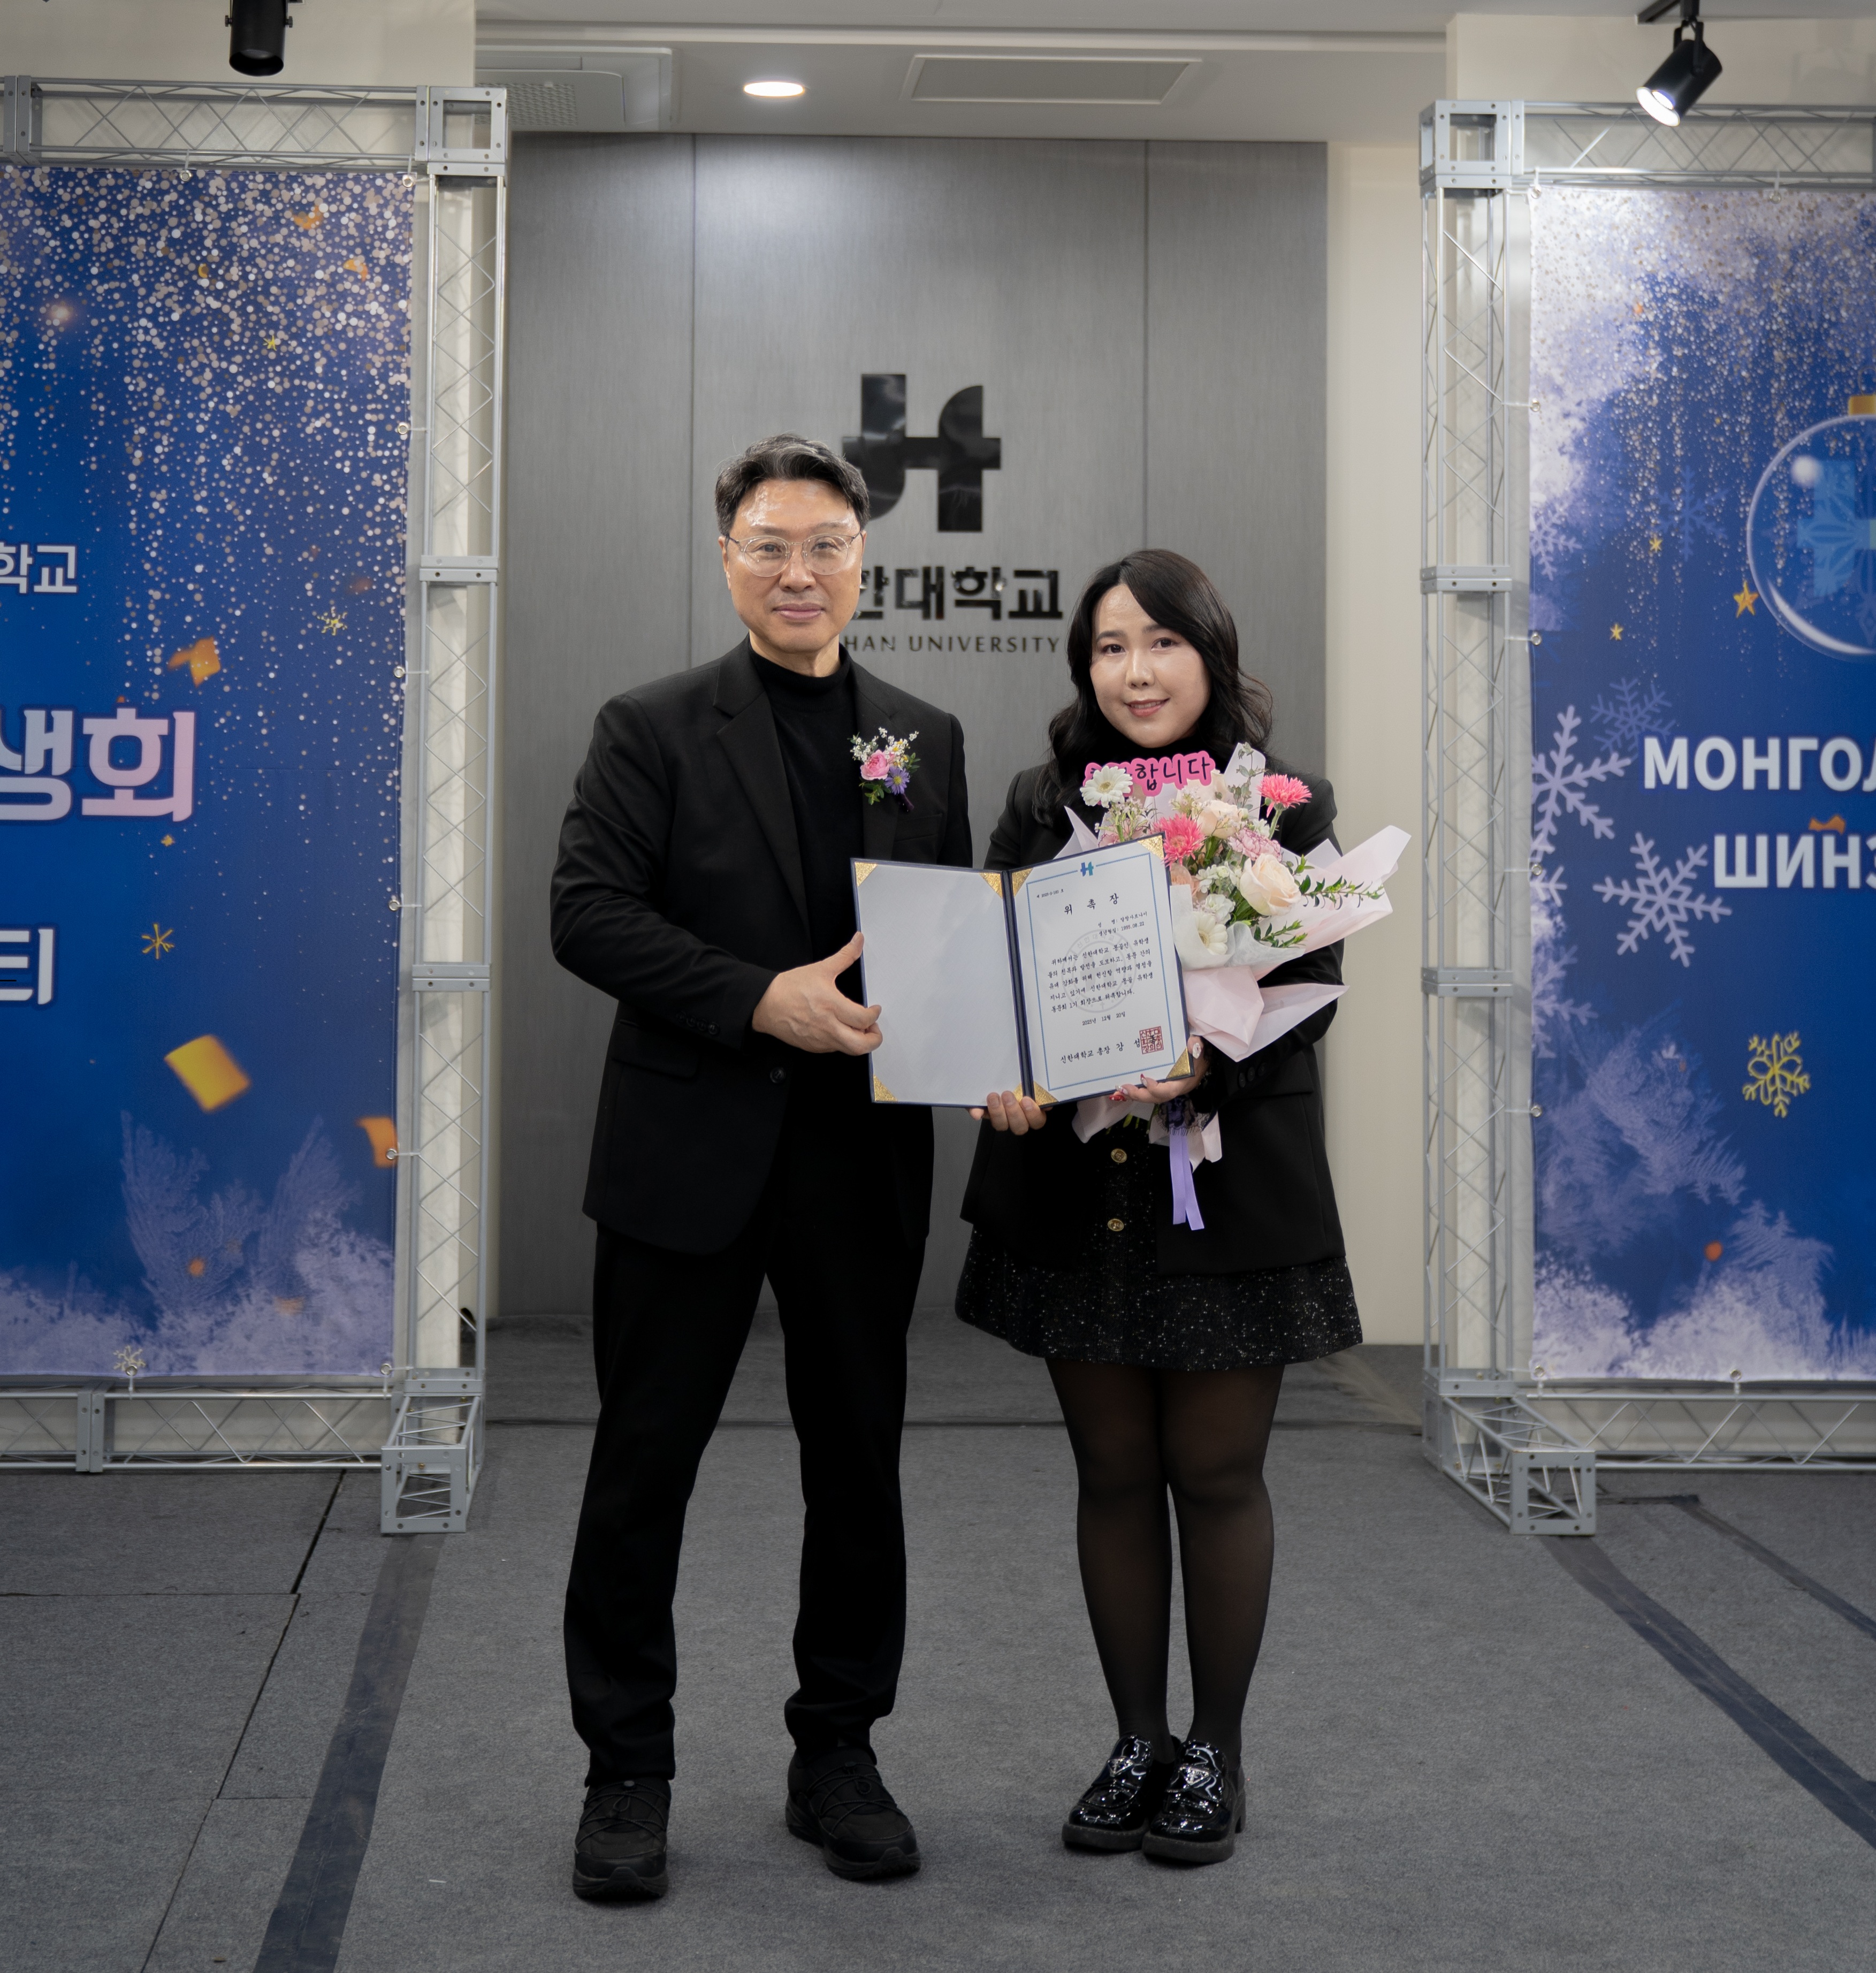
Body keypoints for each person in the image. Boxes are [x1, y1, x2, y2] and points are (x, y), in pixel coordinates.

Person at [551, 434, 972, 1900]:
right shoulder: (649, 727)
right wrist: (755, 999)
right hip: (687, 1150)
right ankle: (625, 1768)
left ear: (864, 560)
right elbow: (587, 913)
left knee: (857, 1465)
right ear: (728, 559)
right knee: (640, 1467)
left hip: (861, 1157)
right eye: (770, 546)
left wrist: (998, 1038)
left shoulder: (923, 733)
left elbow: (943, 940)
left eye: (826, 546)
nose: (801, 572)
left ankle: (838, 1752)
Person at [955, 550, 1358, 1866]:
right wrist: (1004, 1069)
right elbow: (994, 971)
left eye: (1161, 642)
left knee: (1217, 1474)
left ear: (1209, 652)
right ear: (1085, 666)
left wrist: (1206, 1061)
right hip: (1084, 1188)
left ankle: (1215, 1750)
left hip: (1225, 1190)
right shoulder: (1043, 800)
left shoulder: (1281, 802)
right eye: (1109, 646)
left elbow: (1313, 984)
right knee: (1113, 1474)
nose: (1135, 670)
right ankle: (1136, 1738)